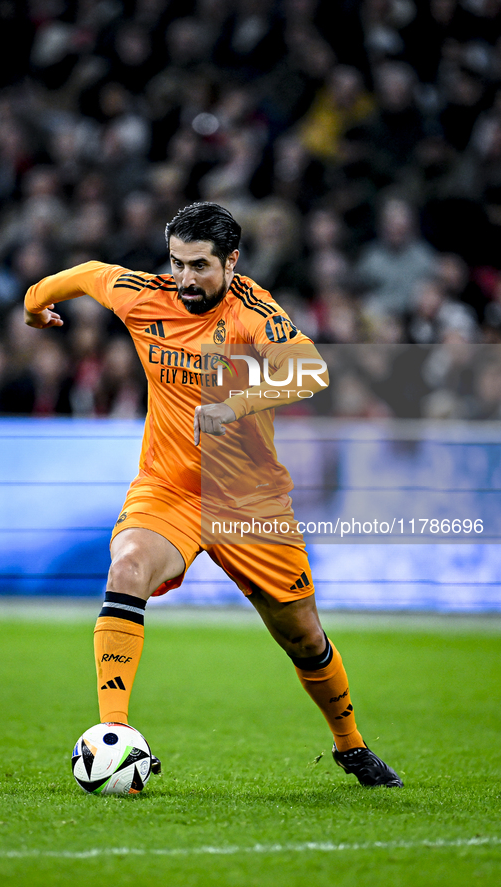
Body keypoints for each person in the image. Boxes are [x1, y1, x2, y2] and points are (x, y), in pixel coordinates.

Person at [24, 201, 403, 788]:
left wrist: (236, 404)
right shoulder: (141, 293)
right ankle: (112, 739)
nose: (185, 279)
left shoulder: (252, 310)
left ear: (231, 262)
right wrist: (34, 306)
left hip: (250, 502)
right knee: (126, 567)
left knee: (302, 634)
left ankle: (350, 746)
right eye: (177, 264)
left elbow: (311, 371)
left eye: (200, 266)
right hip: (168, 488)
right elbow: (82, 275)